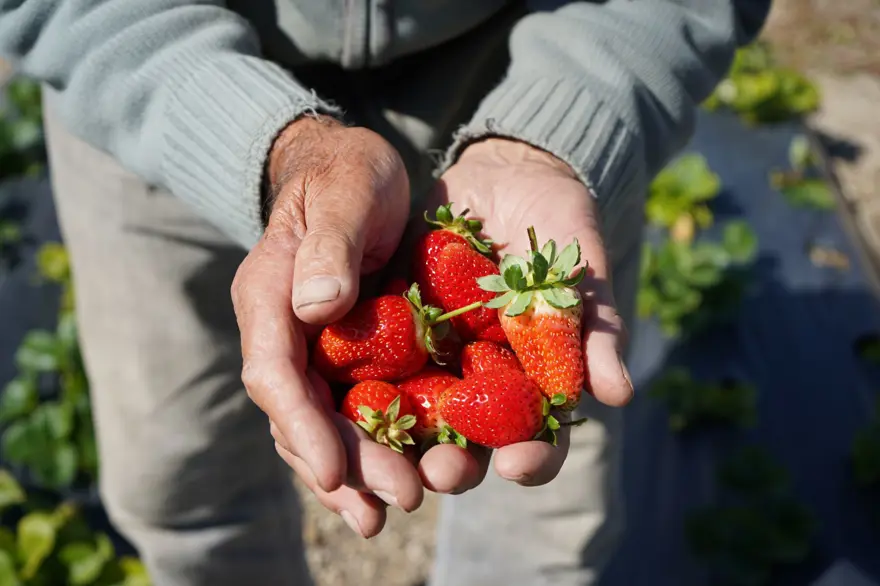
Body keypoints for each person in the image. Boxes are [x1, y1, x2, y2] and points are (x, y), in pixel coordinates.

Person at [0, 1, 771, 584]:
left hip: (525, 60)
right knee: (179, 478)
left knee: (550, 519)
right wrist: (264, 141)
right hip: (158, 73)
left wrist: (556, 136)